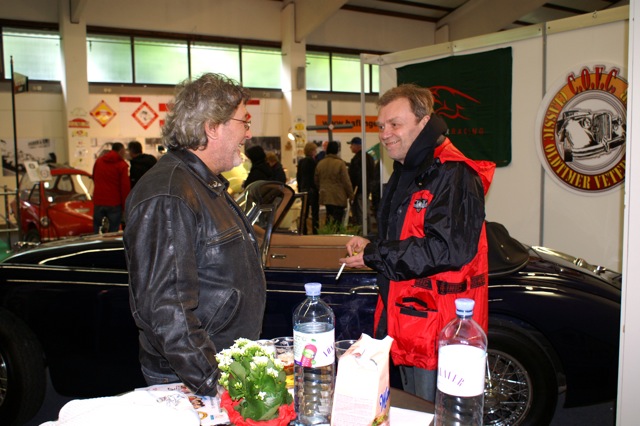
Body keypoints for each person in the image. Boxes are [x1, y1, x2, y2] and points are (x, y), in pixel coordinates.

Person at [339, 84, 495, 402]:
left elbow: (446, 249)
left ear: (424, 122)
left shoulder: (454, 174)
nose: (385, 134)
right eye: (381, 126)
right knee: (410, 407)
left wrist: (376, 254)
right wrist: (372, 244)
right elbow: (408, 235)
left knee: (430, 411)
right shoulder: (410, 170)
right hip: (410, 318)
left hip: (440, 327)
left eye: (395, 124)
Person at [123, 73, 266, 396]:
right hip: (193, 375)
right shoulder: (170, 193)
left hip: (217, 365)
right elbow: (166, 308)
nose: (248, 132)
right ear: (212, 127)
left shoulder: (201, 184)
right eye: (244, 121)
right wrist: (213, 380)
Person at [92, 142, 130, 233]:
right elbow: (125, 188)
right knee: (113, 231)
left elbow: (94, 177)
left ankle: (97, 242)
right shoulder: (122, 165)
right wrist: (125, 206)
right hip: (114, 203)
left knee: (97, 230)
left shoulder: (99, 161)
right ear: (121, 151)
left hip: (99, 201)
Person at [314, 141, 354, 227]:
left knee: (329, 218)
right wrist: (351, 195)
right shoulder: (340, 164)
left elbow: (316, 181)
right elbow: (346, 181)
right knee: (338, 221)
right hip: (338, 196)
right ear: (337, 150)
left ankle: (329, 234)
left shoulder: (320, 163)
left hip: (325, 196)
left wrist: (322, 189)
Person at [347, 136, 375, 228]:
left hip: (359, 189)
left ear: (357, 146)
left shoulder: (357, 159)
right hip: (368, 188)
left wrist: (352, 189)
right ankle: (369, 229)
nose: (350, 147)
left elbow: (355, 175)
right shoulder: (369, 157)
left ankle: (363, 231)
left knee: (360, 211)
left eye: (352, 145)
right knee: (366, 210)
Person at [297, 142, 319, 234]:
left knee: (304, 213)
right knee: (315, 213)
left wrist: (300, 189)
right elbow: (315, 177)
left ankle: (303, 231)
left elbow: (298, 177)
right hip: (312, 189)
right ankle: (315, 231)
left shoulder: (301, 162)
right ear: (312, 151)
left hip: (303, 189)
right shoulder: (313, 162)